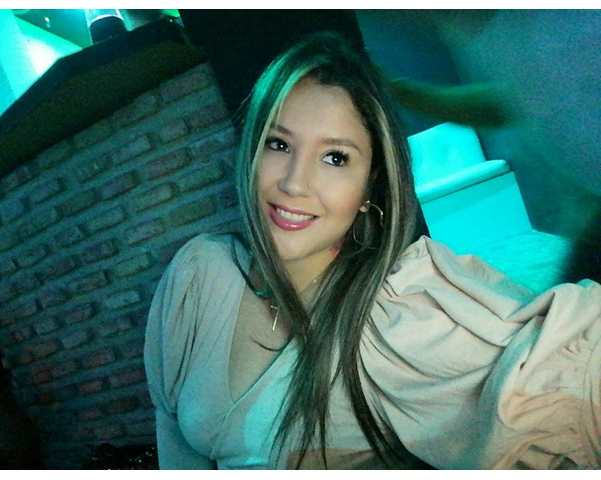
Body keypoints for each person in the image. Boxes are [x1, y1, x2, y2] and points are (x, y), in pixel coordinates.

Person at [144, 32, 601, 470]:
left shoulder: (398, 310)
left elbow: (569, 376)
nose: (294, 183)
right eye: (278, 144)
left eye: (335, 157)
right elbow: (174, 439)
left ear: (369, 187)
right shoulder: (198, 273)